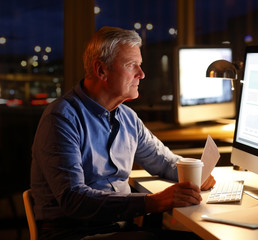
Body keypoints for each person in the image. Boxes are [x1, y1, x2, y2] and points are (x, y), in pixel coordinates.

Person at [30, 26, 216, 240]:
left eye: (140, 65)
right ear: (101, 70)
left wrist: (196, 174)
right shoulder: (61, 118)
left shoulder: (127, 117)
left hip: (116, 228)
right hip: (73, 233)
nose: (142, 74)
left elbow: (164, 162)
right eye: (131, 65)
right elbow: (74, 200)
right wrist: (152, 202)